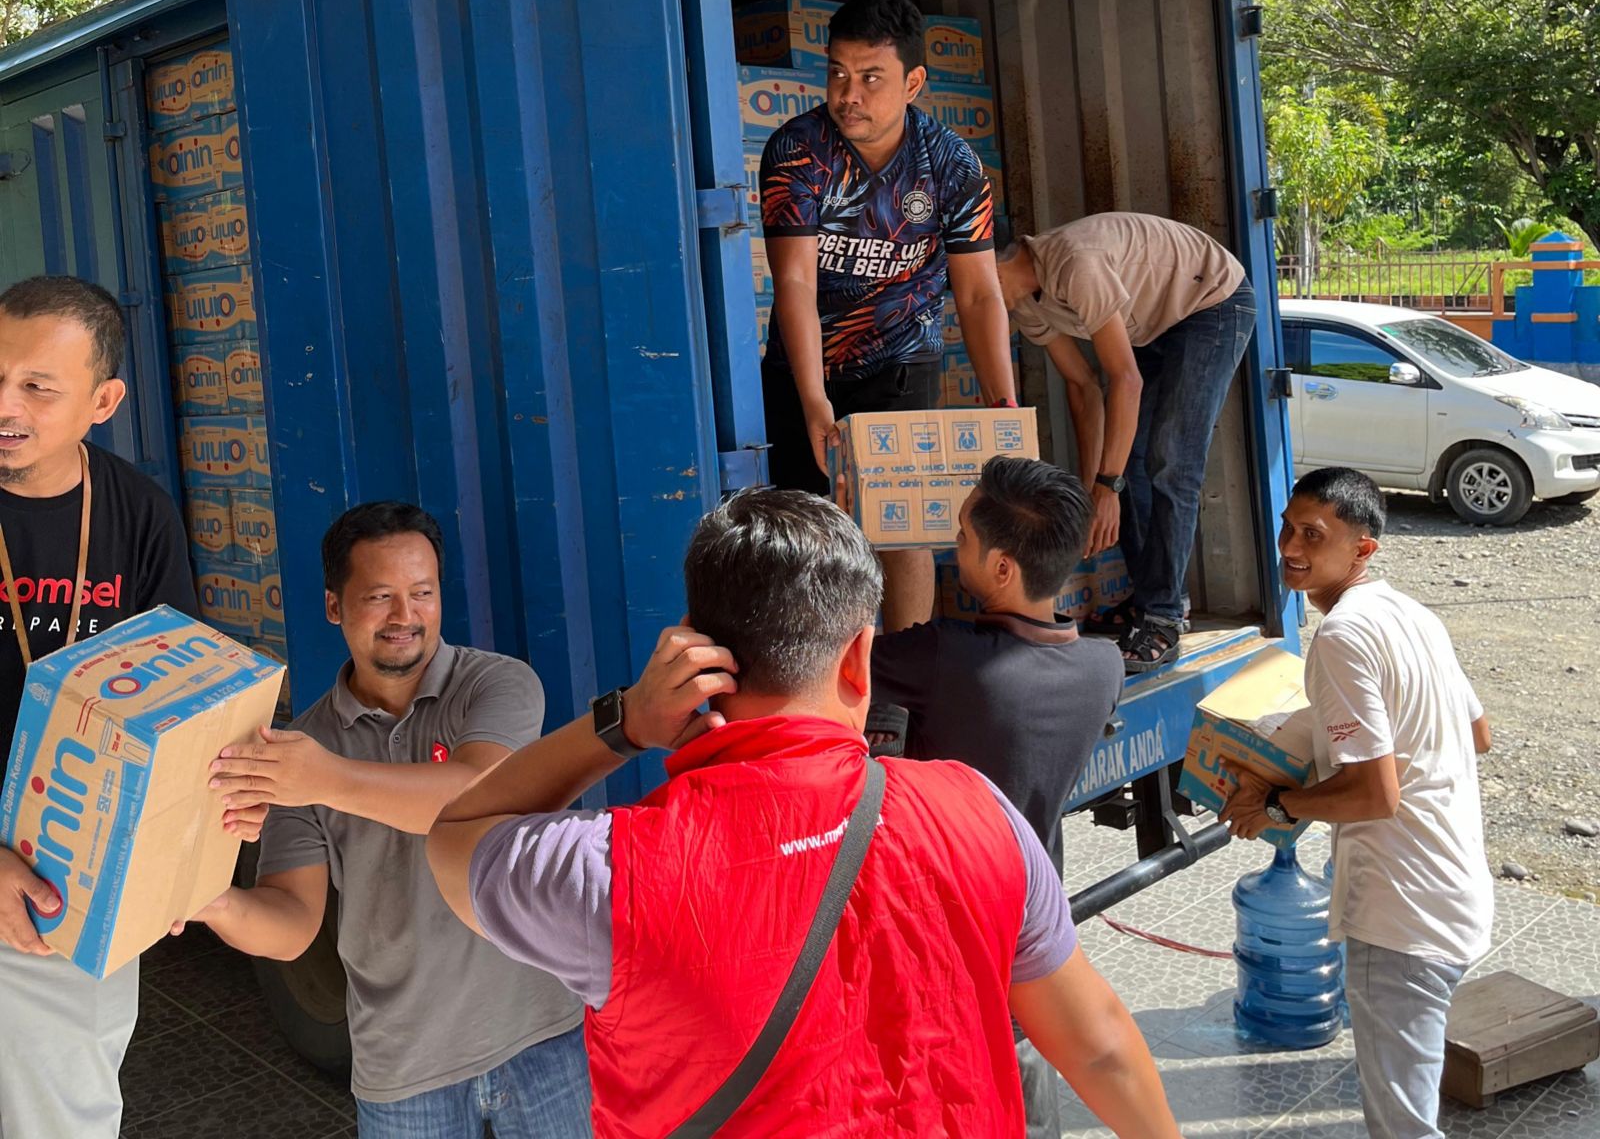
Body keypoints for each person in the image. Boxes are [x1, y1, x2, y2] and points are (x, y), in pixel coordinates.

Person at [427, 488, 1179, 1139]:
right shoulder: (978, 815)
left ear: (696, 656)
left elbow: (453, 838)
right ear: (860, 658)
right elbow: (1101, 1048)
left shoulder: (611, 873)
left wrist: (624, 721)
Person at [177, 502, 589, 1138]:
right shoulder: (304, 746)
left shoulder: (496, 685)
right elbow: (291, 926)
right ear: (335, 606)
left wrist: (325, 779)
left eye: (422, 593)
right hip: (403, 1068)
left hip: (541, 1036)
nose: (405, 617)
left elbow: (475, 793)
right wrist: (209, 900)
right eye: (380, 597)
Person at [0, 275, 252, 1138]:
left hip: (65, 874)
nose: (6, 405)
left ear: (103, 400)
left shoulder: (137, 512)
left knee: (61, 1111)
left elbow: (178, 701)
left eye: (37, 386)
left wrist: (179, 852)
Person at [1220, 467, 1493, 1139]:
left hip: (1401, 913)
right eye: (1288, 528)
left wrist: (1281, 803)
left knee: (1403, 1127)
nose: (1290, 547)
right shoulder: (1413, 614)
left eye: (1313, 535)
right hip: (1454, 890)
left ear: (1363, 548)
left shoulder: (1342, 637)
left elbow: (1376, 793)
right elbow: (1477, 734)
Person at [872, 455, 1123, 1137]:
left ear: (1004, 568)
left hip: (939, 941)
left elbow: (837, 661)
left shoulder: (940, 659)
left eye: (961, 540)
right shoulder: (1105, 667)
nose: (955, 550)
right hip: (1031, 929)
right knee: (1025, 1095)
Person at [761, 0, 1016, 633]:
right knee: (805, 537)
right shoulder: (797, 151)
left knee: (902, 530)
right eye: (839, 74)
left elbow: (980, 292)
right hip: (805, 365)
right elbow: (793, 283)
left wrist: (1002, 401)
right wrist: (814, 400)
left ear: (914, 82)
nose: (849, 94)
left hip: (901, 364)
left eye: (871, 78)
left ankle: (902, 690)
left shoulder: (954, 166)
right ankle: (816, 691)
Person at [994, 212, 1256, 672]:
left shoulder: (1077, 265)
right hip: (1154, 323)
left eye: (961, 283)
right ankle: (1153, 596)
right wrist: (1092, 488)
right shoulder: (1025, 303)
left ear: (989, 264)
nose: (961, 299)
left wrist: (1107, 486)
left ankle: (1164, 617)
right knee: (1129, 462)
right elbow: (1083, 387)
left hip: (1211, 302)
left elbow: (1125, 381)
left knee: (1171, 460)